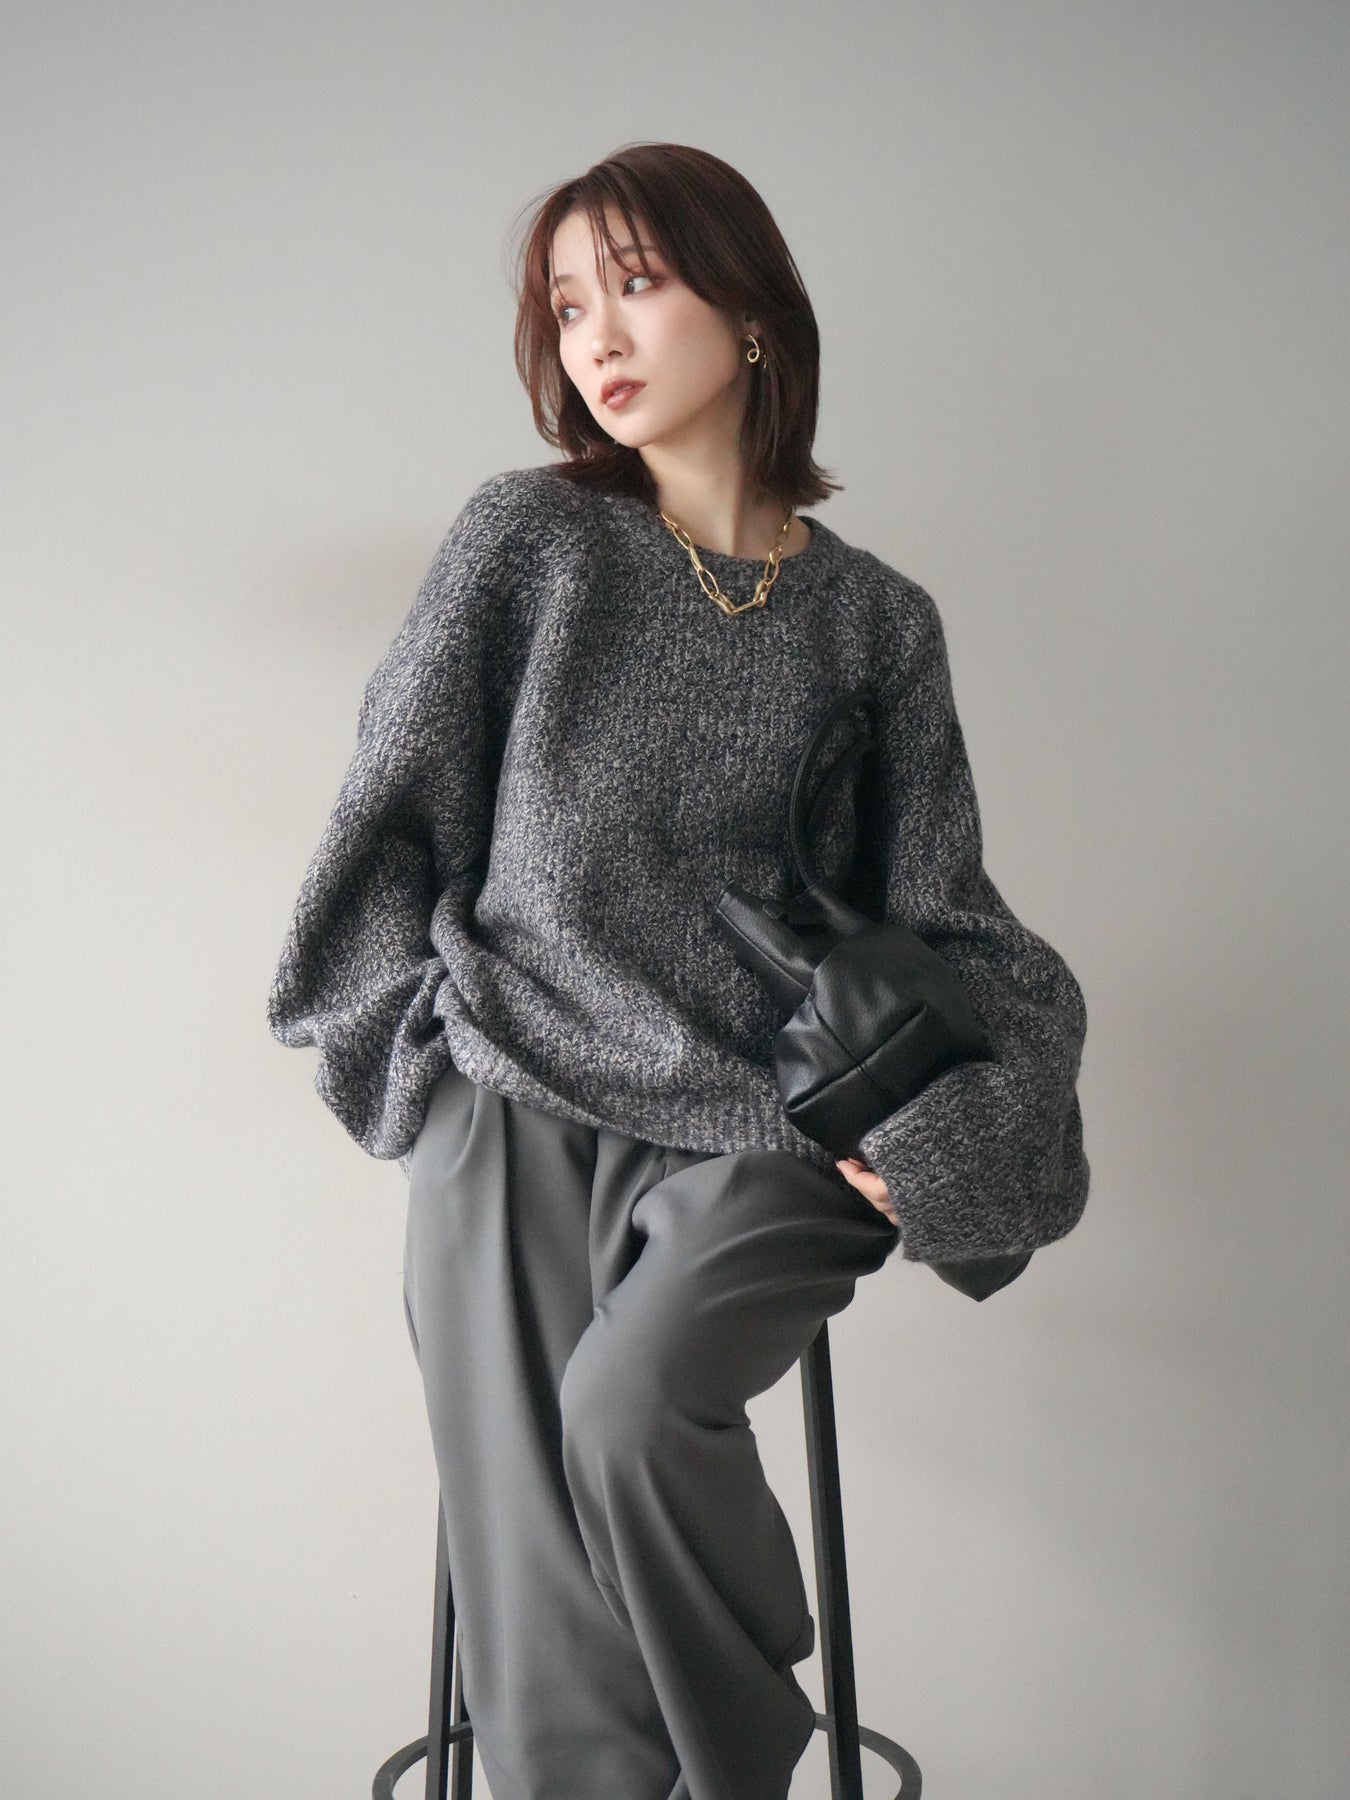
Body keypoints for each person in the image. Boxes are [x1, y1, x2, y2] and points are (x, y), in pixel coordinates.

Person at [266, 141, 1090, 1800]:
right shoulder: (528, 544)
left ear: (752, 313)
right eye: (567, 308)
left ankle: (731, 1764)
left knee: (629, 1411)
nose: (597, 339)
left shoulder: (873, 624)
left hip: (771, 1123)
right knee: (531, 1552)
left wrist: (942, 1143)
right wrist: (421, 1072)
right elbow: (384, 823)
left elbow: (948, 918)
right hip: (513, 1093)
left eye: (635, 286)